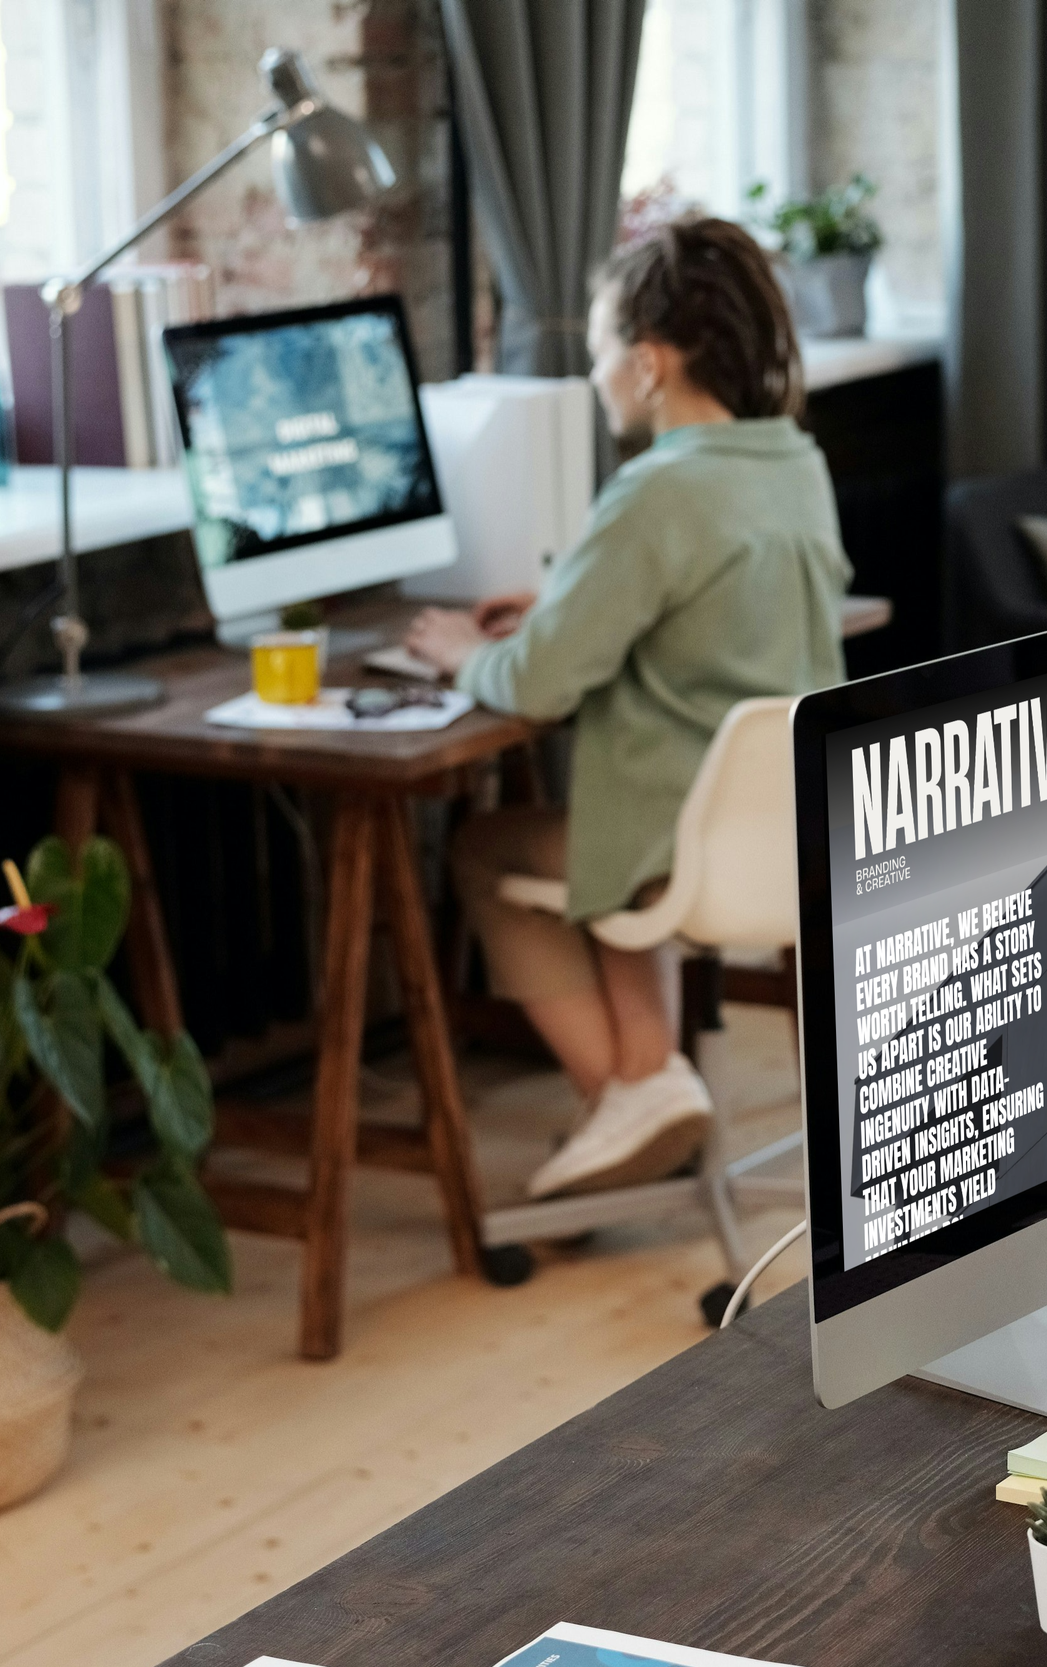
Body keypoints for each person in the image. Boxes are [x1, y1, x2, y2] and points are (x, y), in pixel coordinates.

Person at [404, 217, 850, 1200]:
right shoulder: (793, 465)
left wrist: (466, 652)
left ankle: (632, 1092)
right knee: (616, 814)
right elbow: (704, 607)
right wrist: (565, 605)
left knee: (486, 847)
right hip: (798, 834)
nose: (598, 370)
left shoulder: (654, 492)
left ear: (648, 365)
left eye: (603, 349)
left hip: (675, 851)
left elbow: (537, 684)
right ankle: (645, 1088)